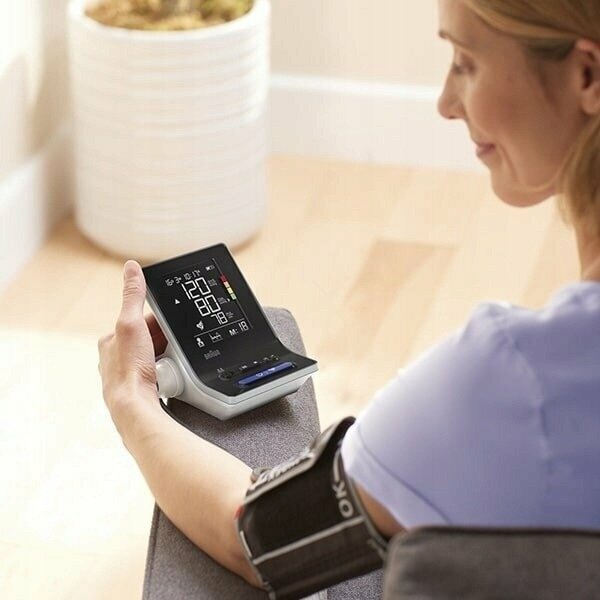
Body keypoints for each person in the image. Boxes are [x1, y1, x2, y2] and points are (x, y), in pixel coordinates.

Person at [97, 0, 600, 593]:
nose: (446, 102)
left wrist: (132, 403)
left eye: (466, 63)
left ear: (588, 76)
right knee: (267, 342)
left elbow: (255, 536)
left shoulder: (518, 376)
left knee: (229, 396)